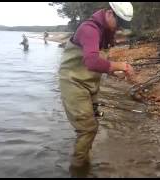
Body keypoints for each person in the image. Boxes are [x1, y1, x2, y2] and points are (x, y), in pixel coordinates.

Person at [58, 2, 134, 177]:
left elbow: (101, 64)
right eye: (120, 24)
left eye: (124, 26)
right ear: (109, 13)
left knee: (93, 124)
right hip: (73, 83)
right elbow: (91, 61)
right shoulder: (89, 29)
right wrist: (120, 65)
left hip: (89, 85)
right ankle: (77, 170)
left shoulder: (107, 32)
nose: (120, 29)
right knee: (87, 129)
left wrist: (115, 72)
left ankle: (85, 161)